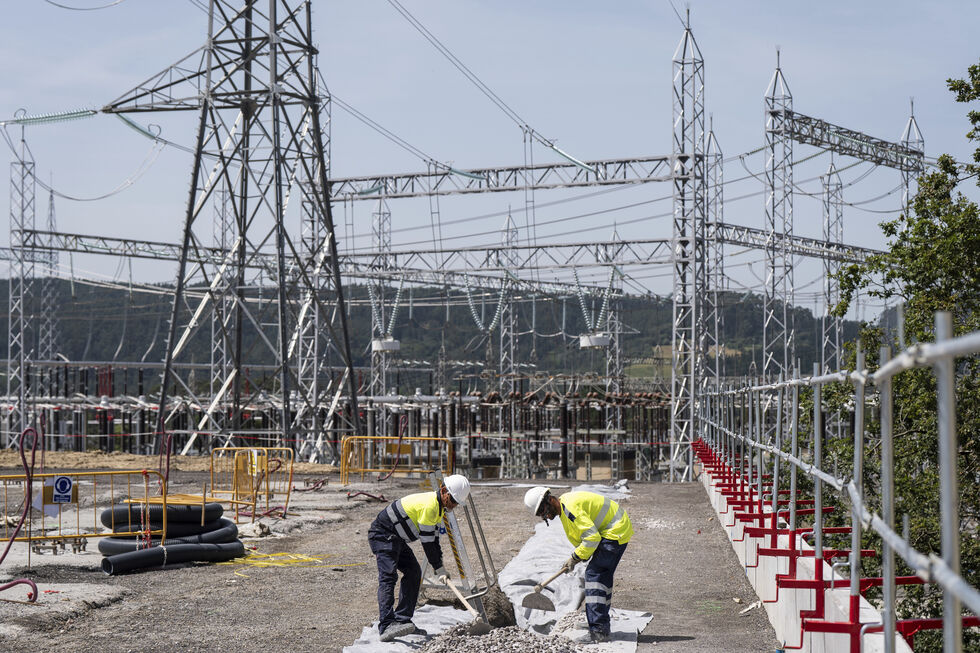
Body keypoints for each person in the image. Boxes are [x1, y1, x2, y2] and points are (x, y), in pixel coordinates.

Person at [523, 486, 633, 644]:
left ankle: (598, 630)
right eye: (540, 514)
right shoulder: (564, 509)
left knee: (594, 576)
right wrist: (577, 557)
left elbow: (592, 538)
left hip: (614, 531)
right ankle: (599, 622)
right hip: (614, 528)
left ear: (550, 500)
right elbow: (585, 536)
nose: (545, 515)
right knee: (602, 578)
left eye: (543, 510)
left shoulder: (570, 509)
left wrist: (575, 557)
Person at [368, 474, 471, 642]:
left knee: (414, 572)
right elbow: (428, 543)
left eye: (456, 503)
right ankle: (386, 625)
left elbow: (434, 541)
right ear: (443, 491)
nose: (453, 505)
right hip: (383, 535)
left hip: (396, 538)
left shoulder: (439, 509)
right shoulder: (430, 506)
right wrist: (438, 567)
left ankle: (402, 620)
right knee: (388, 577)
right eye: (452, 500)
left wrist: (440, 568)